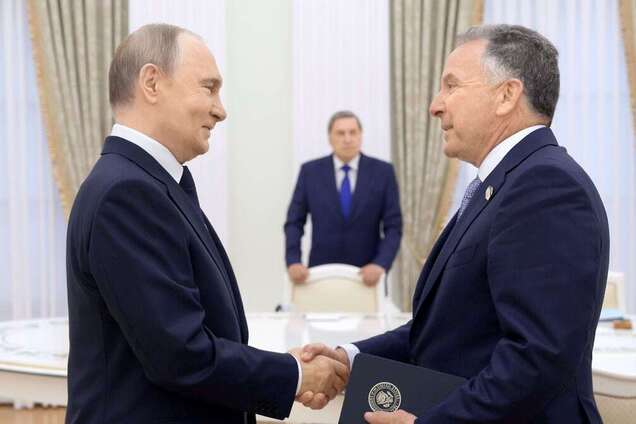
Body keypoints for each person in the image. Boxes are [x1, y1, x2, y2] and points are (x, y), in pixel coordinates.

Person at [301, 24, 609, 423]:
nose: (435, 105)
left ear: (506, 95)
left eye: (451, 86)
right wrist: (351, 358)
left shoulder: (546, 186)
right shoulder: (502, 184)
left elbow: (537, 358)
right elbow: (446, 330)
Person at [65, 23, 347, 424]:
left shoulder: (149, 182)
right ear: (152, 83)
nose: (221, 109)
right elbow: (179, 354)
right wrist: (296, 374)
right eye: (209, 88)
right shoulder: (127, 193)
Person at [284, 111, 403, 286]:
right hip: (320, 276)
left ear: (360, 135)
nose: (347, 139)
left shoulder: (383, 172)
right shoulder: (310, 172)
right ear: (330, 138)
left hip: (367, 277)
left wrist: (380, 264)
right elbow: (294, 222)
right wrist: (293, 260)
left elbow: (394, 227)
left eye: (353, 132)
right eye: (340, 133)